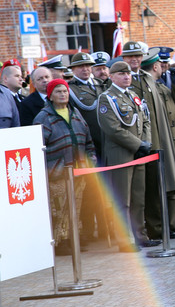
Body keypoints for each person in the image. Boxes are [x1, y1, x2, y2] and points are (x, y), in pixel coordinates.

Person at [33, 79, 97, 255]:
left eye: (65, 91)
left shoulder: (75, 113)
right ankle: (59, 243)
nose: (63, 94)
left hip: (78, 171)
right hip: (57, 173)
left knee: (75, 207)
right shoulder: (43, 117)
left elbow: (88, 139)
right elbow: (37, 147)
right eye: (59, 91)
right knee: (59, 208)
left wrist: (90, 159)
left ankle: (72, 239)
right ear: (50, 95)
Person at [97, 61, 152, 252]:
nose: (126, 76)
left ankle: (139, 235)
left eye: (128, 73)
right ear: (111, 77)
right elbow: (113, 129)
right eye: (121, 74)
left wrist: (145, 143)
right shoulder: (107, 98)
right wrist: (138, 144)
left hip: (138, 152)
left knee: (138, 197)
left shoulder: (134, 95)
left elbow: (145, 120)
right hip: (121, 153)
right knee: (123, 200)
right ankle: (124, 240)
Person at [140, 48, 175, 237]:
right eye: (161, 65)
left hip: (172, 138)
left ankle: (174, 221)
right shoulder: (149, 86)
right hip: (160, 139)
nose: (164, 68)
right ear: (155, 66)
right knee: (164, 183)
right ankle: (164, 224)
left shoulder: (160, 86)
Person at [66, 52, 109, 242]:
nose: (85, 69)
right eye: (80, 66)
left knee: (107, 191)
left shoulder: (100, 85)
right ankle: (89, 231)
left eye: (88, 66)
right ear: (73, 69)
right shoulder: (70, 89)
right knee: (89, 192)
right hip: (87, 147)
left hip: (106, 144)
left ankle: (106, 230)